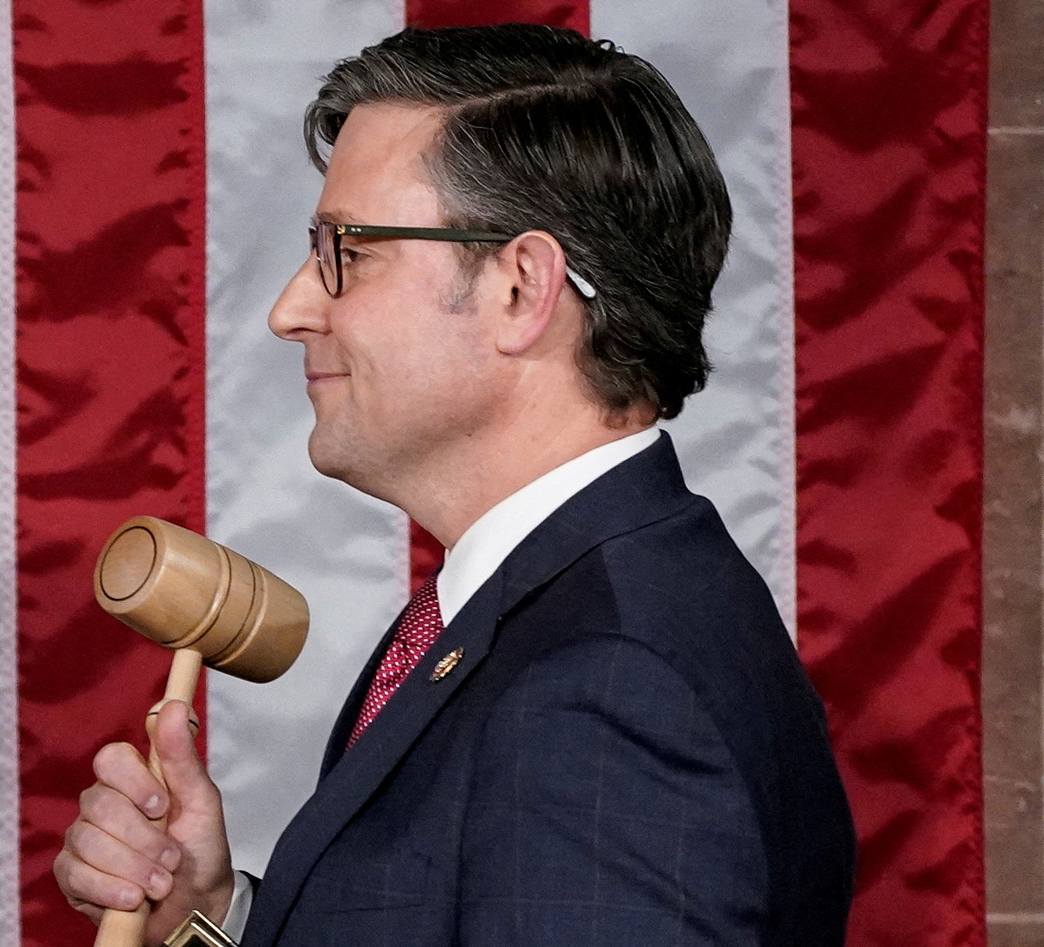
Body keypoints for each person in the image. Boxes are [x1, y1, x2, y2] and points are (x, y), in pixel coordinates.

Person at [54, 24, 855, 946]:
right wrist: (210, 918)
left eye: (346, 249)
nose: (290, 309)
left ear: (520, 287)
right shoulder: (540, 610)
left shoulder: (606, 684)